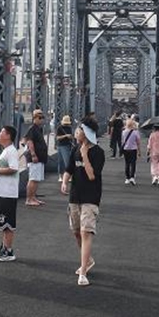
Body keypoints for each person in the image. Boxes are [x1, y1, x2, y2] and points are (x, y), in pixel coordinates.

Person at [61, 114, 105, 286]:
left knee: (86, 232)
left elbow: (92, 175)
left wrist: (85, 155)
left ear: (85, 132)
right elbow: (69, 169)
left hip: (90, 197)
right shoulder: (74, 149)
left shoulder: (98, 152)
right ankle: (88, 260)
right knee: (77, 232)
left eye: (79, 129)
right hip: (75, 196)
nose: (76, 131)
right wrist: (65, 181)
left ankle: (83, 271)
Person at [0, 125, 20, 262]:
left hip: (7, 193)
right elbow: (6, 166)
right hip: (2, 192)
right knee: (3, 222)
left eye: (1, 132)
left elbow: (13, 168)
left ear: (8, 136)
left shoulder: (11, 151)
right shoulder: (6, 151)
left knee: (8, 224)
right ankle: (4, 248)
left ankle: (8, 251)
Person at [24, 108, 48, 206]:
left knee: (36, 179)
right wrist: (33, 155)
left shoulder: (39, 129)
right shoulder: (32, 129)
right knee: (33, 179)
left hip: (40, 158)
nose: (42, 119)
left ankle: (33, 197)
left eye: (42, 117)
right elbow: (29, 142)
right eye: (40, 117)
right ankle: (29, 199)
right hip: (35, 158)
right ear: (34, 118)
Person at [120, 117, 141, 185]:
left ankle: (127, 178)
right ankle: (132, 177)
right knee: (133, 163)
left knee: (127, 163)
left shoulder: (124, 132)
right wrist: (139, 151)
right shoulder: (136, 132)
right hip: (133, 149)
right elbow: (138, 142)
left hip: (126, 149)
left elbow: (123, 141)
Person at [56, 113, 74, 182]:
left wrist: (70, 137)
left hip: (67, 145)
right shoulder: (60, 128)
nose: (66, 125)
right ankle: (60, 176)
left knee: (67, 161)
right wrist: (66, 136)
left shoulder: (70, 128)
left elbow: (72, 136)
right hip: (61, 145)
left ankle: (68, 176)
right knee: (61, 162)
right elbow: (57, 137)